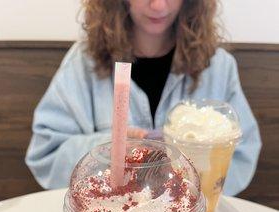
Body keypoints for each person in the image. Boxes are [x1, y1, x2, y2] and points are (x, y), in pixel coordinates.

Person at [25, 0, 261, 195]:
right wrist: (112, 147)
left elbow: (242, 153)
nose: (158, 5)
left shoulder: (218, 66)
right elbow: (46, 154)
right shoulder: (83, 62)